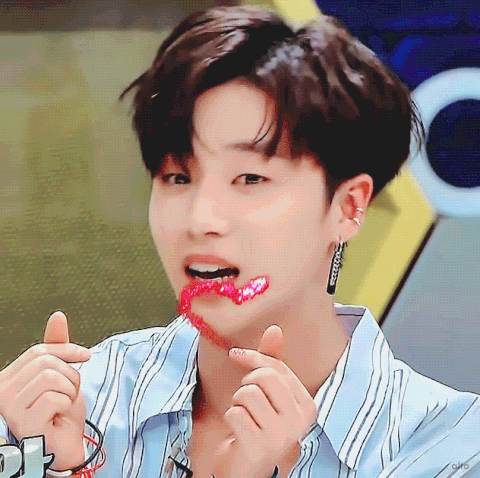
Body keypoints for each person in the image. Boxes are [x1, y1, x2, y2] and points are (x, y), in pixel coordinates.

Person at [0, 5, 479, 478]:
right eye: (177, 177)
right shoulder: (67, 406)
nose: (201, 219)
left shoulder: (447, 449)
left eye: (250, 179)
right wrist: (56, 468)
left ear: (348, 206)